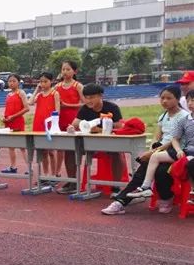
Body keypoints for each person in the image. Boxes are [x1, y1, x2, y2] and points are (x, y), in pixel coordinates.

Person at [102, 86, 188, 214]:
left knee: (160, 170)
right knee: (143, 170)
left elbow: (174, 140)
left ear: (177, 99)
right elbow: (157, 135)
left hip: (176, 151)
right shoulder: (163, 115)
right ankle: (120, 202)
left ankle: (165, 198)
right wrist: (152, 147)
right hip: (160, 151)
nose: (164, 101)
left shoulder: (184, 116)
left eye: (169, 98)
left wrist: (152, 152)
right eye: (162, 98)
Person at [127, 89, 194, 199]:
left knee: (160, 164)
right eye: (188, 101)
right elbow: (174, 139)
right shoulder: (184, 120)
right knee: (155, 156)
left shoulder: (182, 116)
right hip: (184, 151)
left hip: (187, 153)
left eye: (193, 101)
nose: (190, 104)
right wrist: (179, 150)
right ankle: (146, 187)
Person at [58, 83, 124, 195]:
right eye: (86, 98)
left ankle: (116, 186)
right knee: (69, 150)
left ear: (100, 96)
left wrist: (99, 129)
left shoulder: (112, 108)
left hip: (108, 143)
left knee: (117, 153)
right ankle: (73, 183)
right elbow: (75, 123)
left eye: (92, 97)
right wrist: (71, 127)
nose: (89, 101)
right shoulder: (84, 109)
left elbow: (120, 126)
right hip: (89, 145)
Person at [54, 60, 84, 178]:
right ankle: (57, 173)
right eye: (63, 69)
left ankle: (74, 177)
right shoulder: (57, 86)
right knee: (60, 148)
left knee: (73, 150)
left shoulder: (78, 86)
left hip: (73, 121)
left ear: (74, 71)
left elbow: (85, 103)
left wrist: (68, 105)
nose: (65, 72)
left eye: (68, 69)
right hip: (60, 120)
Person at [29, 72, 61, 182]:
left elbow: (57, 110)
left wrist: (54, 123)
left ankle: (54, 175)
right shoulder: (39, 94)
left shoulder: (55, 93)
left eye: (45, 81)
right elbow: (30, 102)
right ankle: (46, 175)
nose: (42, 84)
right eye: (41, 81)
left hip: (50, 124)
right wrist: (36, 90)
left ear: (50, 81)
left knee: (51, 151)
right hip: (38, 124)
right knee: (43, 152)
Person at [1, 74, 29, 173]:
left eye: (14, 81)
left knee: (22, 146)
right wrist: (4, 118)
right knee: (11, 146)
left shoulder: (21, 93)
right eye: (10, 81)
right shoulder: (8, 95)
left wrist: (13, 116)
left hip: (18, 122)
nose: (11, 83)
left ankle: (30, 168)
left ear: (18, 82)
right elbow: (7, 109)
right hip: (9, 122)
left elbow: (27, 108)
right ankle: (13, 167)